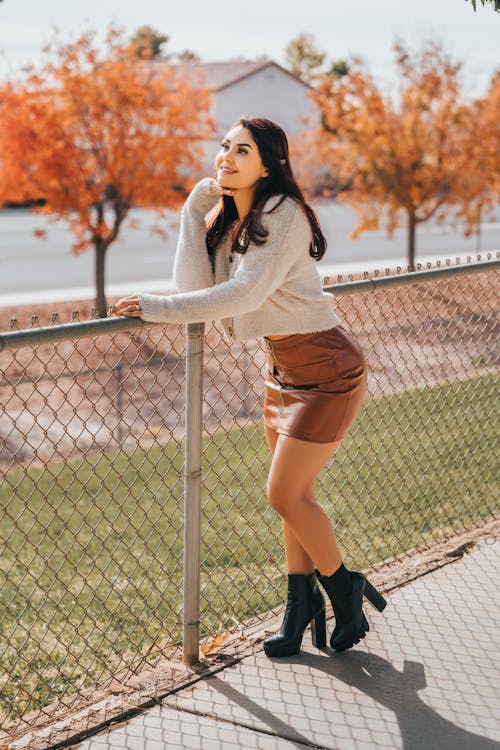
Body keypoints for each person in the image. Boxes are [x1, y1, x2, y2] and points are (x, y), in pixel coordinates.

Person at [109, 116, 387, 657]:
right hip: (280, 370)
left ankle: (344, 589)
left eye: (243, 150)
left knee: (283, 493)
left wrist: (155, 310)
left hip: (327, 370)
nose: (226, 158)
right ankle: (299, 607)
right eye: (223, 148)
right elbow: (194, 287)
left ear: (270, 163)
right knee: (294, 501)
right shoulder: (233, 219)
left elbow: (240, 295)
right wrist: (193, 212)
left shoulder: (282, 216)